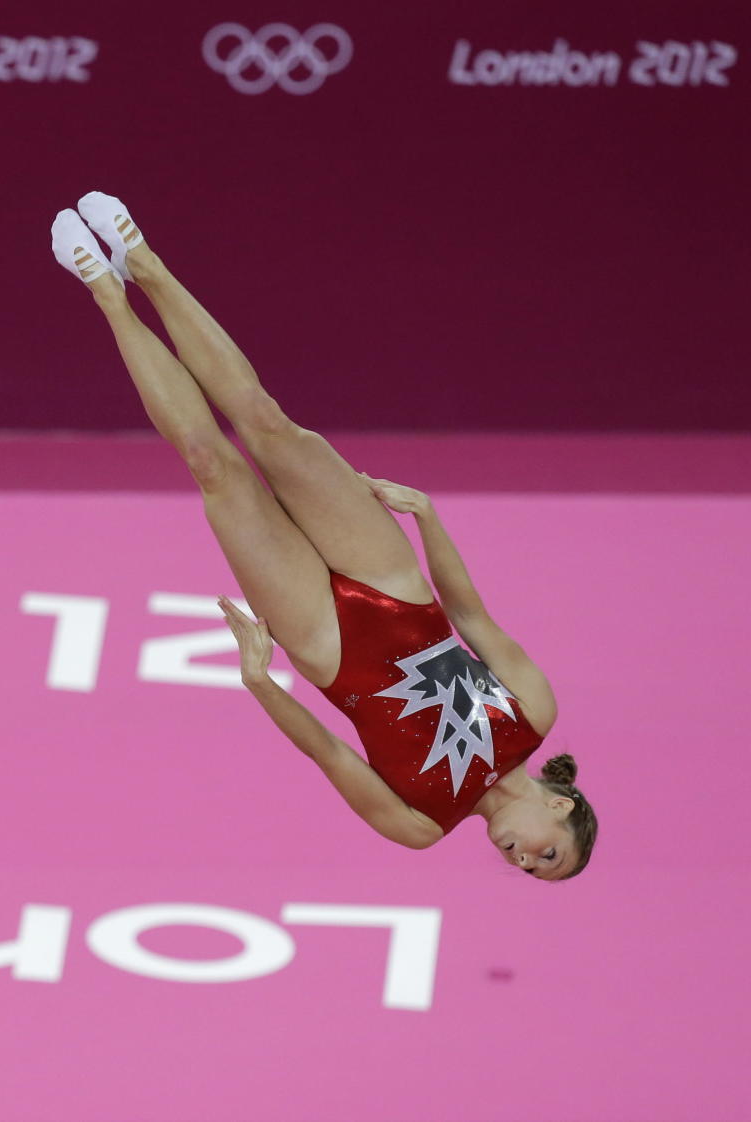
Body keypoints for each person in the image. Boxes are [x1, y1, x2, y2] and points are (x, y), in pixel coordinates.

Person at [51, 193, 598, 880]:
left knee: (213, 468)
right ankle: (142, 261)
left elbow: (333, 754)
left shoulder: (421, 824)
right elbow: (468, 614)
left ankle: (105, 293)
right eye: (548, 853)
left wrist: (261, 683)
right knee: (266, 422)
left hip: (324, 646)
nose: (522, 856)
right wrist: (428, 518)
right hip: (396, 587)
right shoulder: (535, 711)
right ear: (561, 808)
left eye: (527, 869)